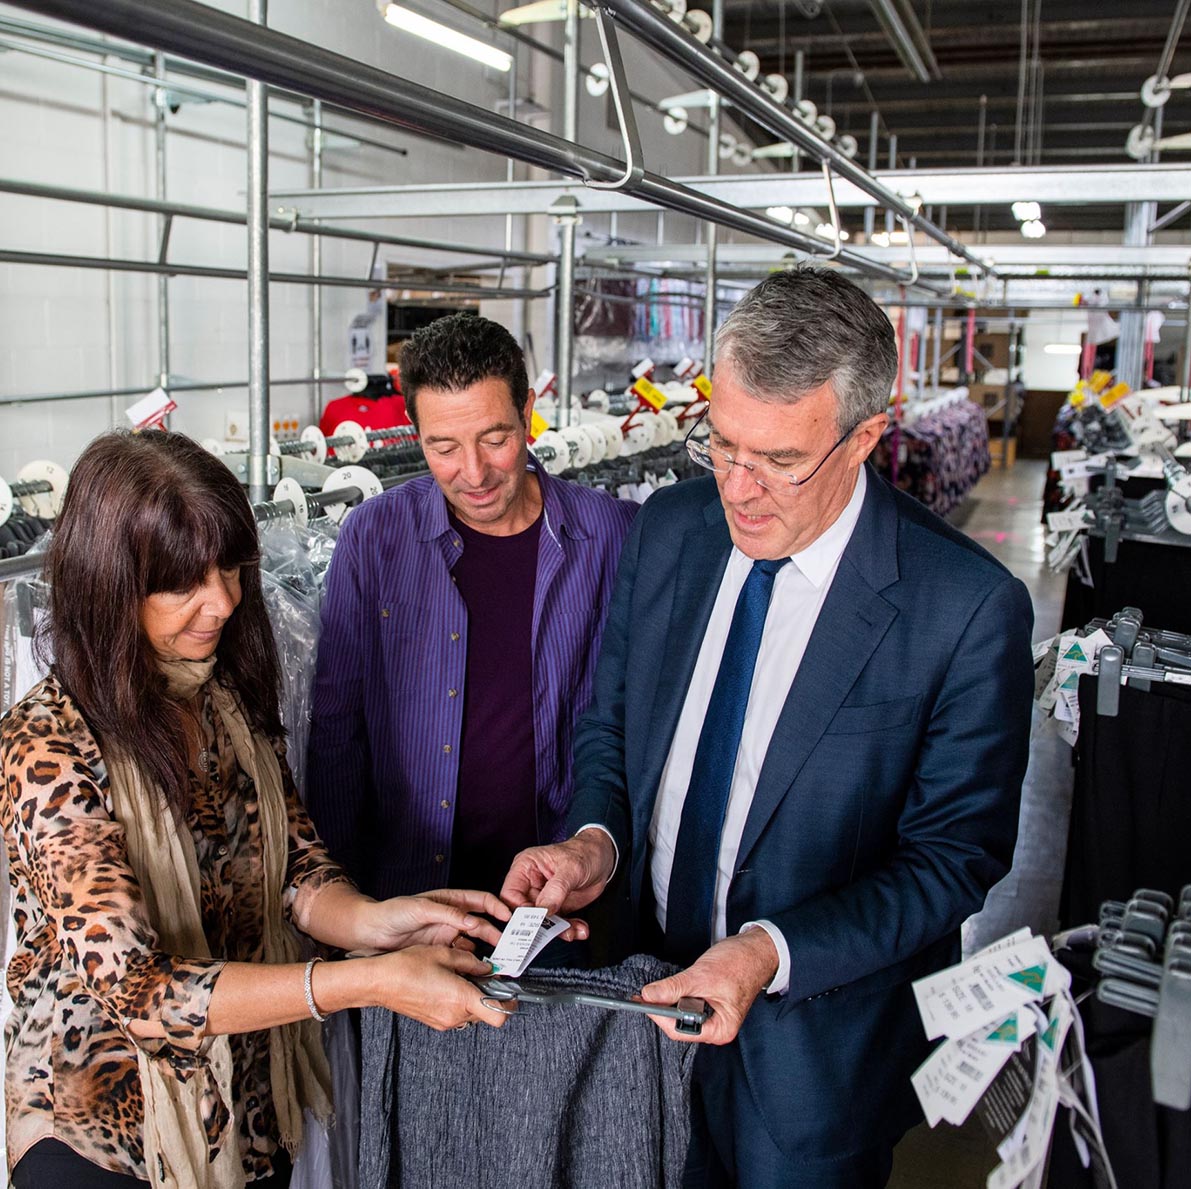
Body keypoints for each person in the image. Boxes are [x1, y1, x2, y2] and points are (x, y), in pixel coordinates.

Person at [501, 268, 1036, 1188]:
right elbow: (612, 726)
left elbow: (954, 857)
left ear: (866, 435)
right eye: (722, 443)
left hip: (811, 1054)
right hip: (634, 998)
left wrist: (767, 952)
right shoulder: (671, 528)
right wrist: (595, 840)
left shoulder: (962, 606)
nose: (739, 489)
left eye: (781, 461)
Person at [0, 430, 510, 1189]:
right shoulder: (44, 748)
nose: (224, 600)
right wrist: (368, 981)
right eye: (182, 582)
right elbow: (143, 993)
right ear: (109, 584)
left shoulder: (218, 695)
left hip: (241, 1116)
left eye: (231, 567)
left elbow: (293, 868)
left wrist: (382, 922)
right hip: (101, 1138)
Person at [306, 313, 638, 901]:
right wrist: (344, 903)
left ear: (528, 413)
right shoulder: (374, 536)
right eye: (444, 447)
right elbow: (338, 728)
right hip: (412, 898)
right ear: (414, 431)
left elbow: (630, 725)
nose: (475, 473)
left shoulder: (612, 533)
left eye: (495, 438)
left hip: (557, 900)